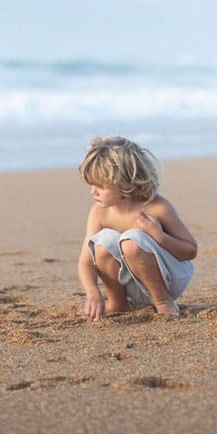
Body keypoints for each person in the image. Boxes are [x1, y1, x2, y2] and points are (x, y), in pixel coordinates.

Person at [77, 136, 197, 319]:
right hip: (132, 281)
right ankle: (117, 302)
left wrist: (159, 236)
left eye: (100, 185)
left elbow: (190, 251)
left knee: (132, 240)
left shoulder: (156, 207)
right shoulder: (99, 212)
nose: (93, 191)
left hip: (169, 278)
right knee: (101, 243)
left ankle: (162, 302)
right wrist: (93, 294)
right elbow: (86, 260)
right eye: (92, 184)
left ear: (125, 182)